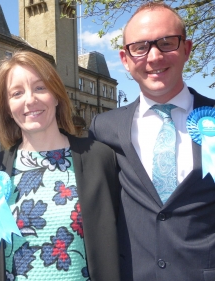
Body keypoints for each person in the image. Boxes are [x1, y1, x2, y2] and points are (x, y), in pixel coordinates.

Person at [89, 2, 215, 281]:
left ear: (187, 49)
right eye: (140, 47)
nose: (154, 57)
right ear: (125, 58)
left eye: (167, 43)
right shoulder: (103, 128)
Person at [0, 51, 120, 281]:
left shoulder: (100, 158)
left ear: (56, 95)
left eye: (40, 88)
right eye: (17, 93)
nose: (30, 100)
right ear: (7, 107)